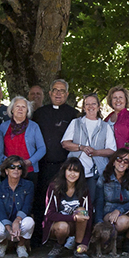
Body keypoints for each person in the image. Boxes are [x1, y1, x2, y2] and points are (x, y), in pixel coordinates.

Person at [31, 79, 79, 244]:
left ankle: (65, 238)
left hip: (65, 167)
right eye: (55, 90)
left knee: (65, 201)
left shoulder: (74, 114)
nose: (58, 93)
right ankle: (39, 238)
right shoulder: (39, 113)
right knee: (41, 201)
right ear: (50, 93)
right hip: (44, 166)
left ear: (66, 94)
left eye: (62, 91)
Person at [62, 93, 116, 214]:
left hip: (95, 172)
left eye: (93, 104)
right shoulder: (75, 123)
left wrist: (96, 152)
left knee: (91, 203)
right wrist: (81, 147)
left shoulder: (105, 126)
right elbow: (65, 143)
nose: (90, 107)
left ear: (98, 106)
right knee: (72, 203)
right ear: (83, 107)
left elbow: (112, 150)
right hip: (74, 171)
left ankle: (89, 230)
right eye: (87, 104)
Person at [43, 157, 93, 258]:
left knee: (82, 210)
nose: (72, 174)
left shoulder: (83, 189)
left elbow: (89, 216)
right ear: (64, 171)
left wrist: (85, 242)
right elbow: (49, 214)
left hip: (76, 225)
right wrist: (73, 218)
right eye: (69, 170)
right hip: (57, 225)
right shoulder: (54, 187)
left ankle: (78, 246)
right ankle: (58, 245)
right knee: (63, 226)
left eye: (76, 171)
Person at [97, 149, 129, 254]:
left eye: (126, 161)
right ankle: (112, 241)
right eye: (119, 159)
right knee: (124, 221)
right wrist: (99, 222)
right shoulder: (104, 178)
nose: (122, 163)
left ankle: (128, 241)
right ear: (113, 162)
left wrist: (119, 210)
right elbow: (99, 201)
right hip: (108, 211)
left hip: (125, 210)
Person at [0, 156, 36, 258]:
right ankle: (3, 244)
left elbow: (27, 206)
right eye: (12, 167)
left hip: (20, 222)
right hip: (4, 222)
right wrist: (8, 226)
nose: (16, 170)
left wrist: (17, 221)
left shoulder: (28, 185)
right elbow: (0, 209)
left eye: (19, 167)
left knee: (29, 222)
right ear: (6, 171)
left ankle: (21, 245)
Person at [0, 96, 46, 183]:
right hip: (8, 170)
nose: (20, 109)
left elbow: (42, 148)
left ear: (27, 110)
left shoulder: (34, 126)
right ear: (12, 109)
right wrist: (7, 161)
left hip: (28, 170)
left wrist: (29, 161)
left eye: (23, 107)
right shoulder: (3, 126)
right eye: (17, 106)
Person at [103, 86, 129, 160]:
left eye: (121, 97)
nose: (118, 100)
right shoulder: (107, 118)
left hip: (126, 160)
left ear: (126, 100)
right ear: (111, 101)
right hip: (110, 160)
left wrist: (128, 160)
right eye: (115, 98)